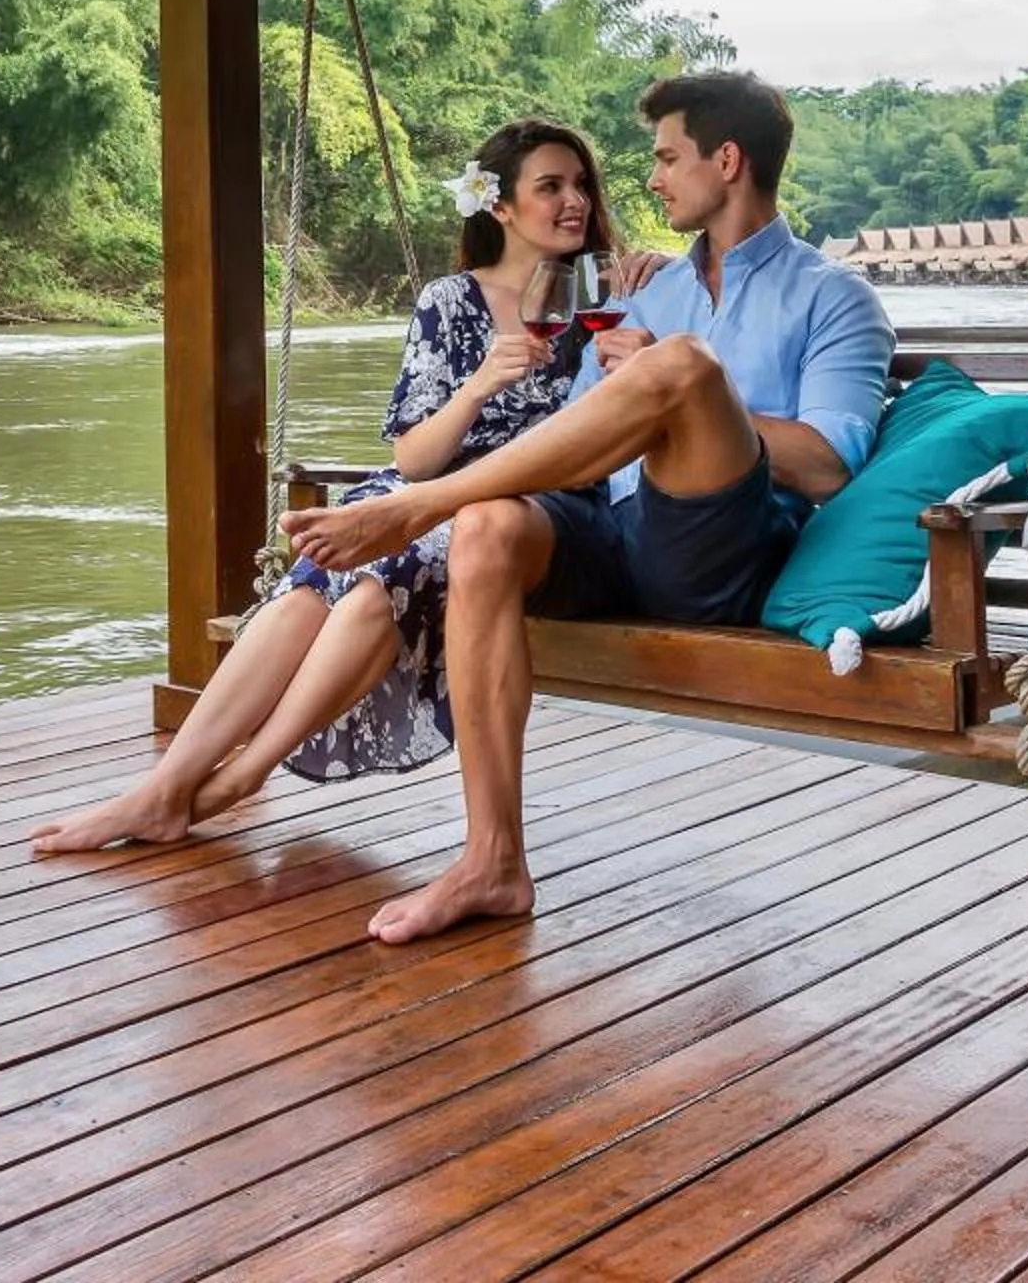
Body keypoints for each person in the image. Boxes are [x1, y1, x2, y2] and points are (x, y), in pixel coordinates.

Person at [282, 71, 892, 943]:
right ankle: (492, 861)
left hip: (720, 548)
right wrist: (623, 383)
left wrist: (680, 393)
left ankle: (422, 507)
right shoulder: (647, 294)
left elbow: (829, 466)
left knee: (682, 368)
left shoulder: (834, 297)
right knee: (488, 530)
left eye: (668, 158)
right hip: (610, 526)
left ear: (727, 161)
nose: (650, 181)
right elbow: (570, 435)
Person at [30, 120, 652, 854]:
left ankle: (241, 778)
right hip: (429, 488)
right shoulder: (449, 303)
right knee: (316, 582)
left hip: (535, 508)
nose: (574, 200)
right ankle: (165, 790)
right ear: (501, 206)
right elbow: (416, 460)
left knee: (388, 569)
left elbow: (679, 341)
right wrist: (481, 382)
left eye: (581, 185)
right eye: (551, 186)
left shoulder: (608, 291)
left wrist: (649, 285)